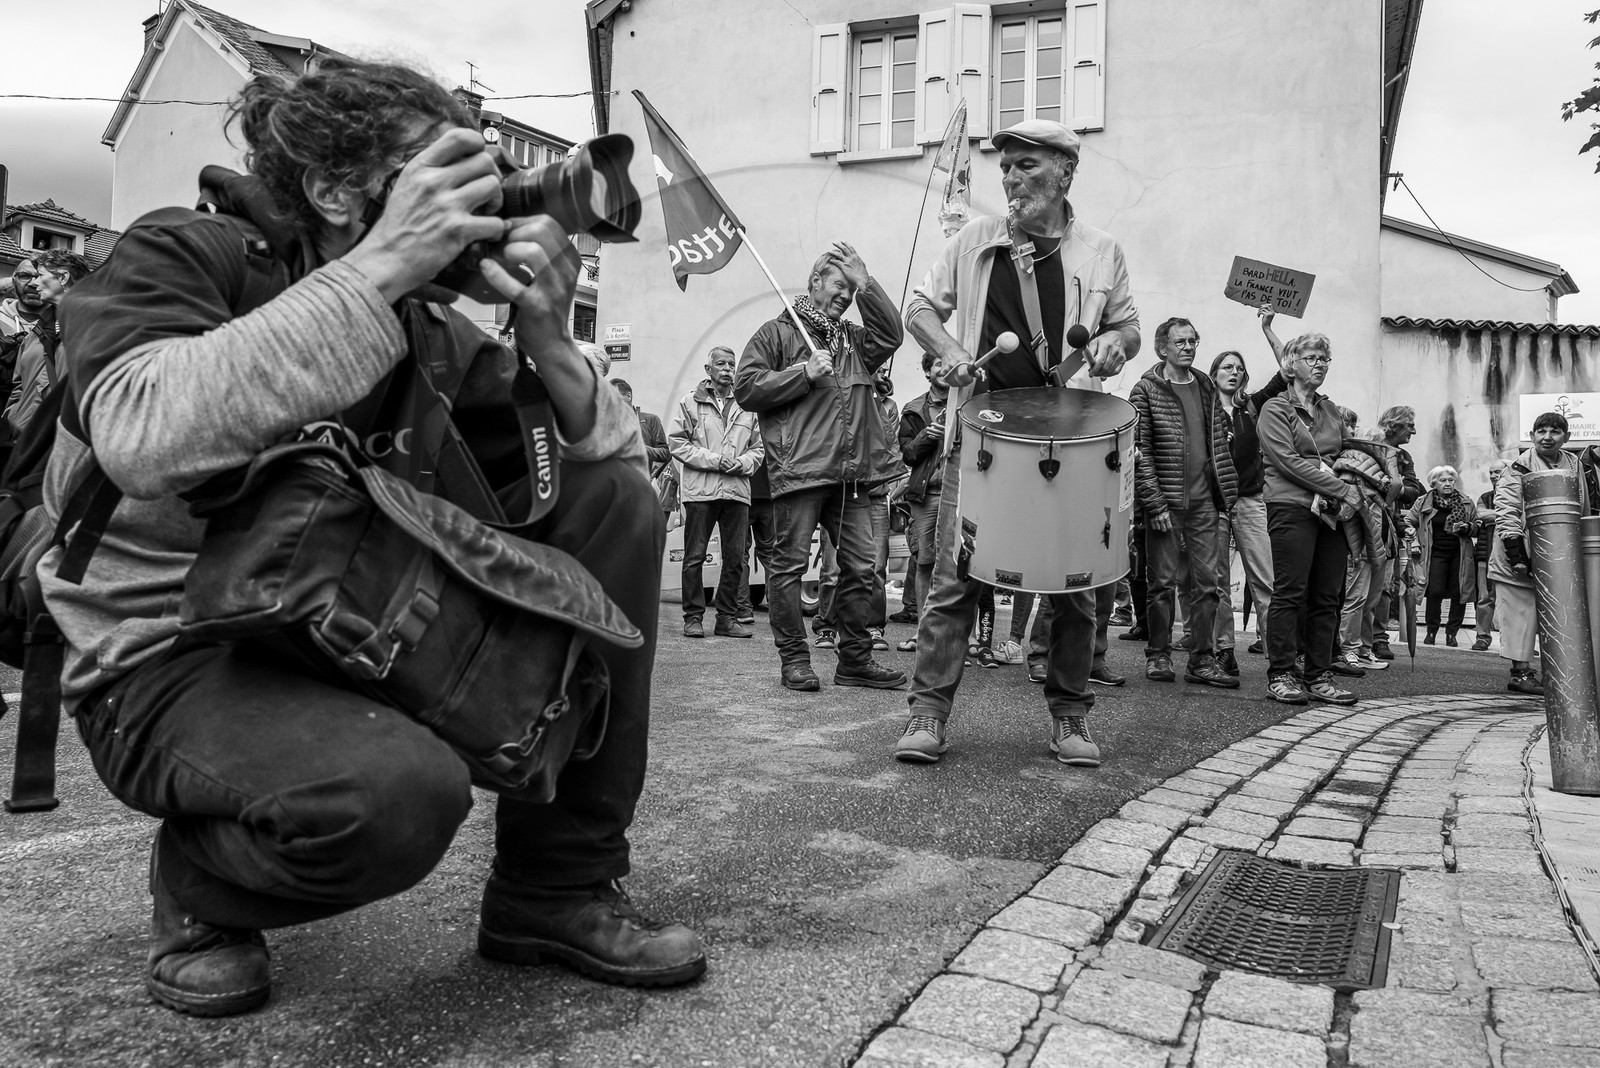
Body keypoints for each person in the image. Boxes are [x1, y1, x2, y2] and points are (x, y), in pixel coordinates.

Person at [42, 58, 704, 1017]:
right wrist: (382, 267)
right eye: (442, 178)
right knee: (397, 799)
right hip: (170, 655)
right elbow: (141, 433)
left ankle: (555, 886)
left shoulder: (426, 331)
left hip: (340, 625)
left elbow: (614, 476)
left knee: (613, 503)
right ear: (335, 191)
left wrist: (550, 341)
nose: (472, 206)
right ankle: (202, 883)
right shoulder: (184, 254)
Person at [892, 118, 1139, 767]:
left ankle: (1070, 717)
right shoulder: (975, 241)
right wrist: (949, 350)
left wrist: (1114, 344)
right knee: (956, 581)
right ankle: (927, 713)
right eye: (1005, 167)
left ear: (1064, 171)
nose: (1010, 178)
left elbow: (1129, 326)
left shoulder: (1102, 250)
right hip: (980, 438)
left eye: (1026, 165)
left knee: (1076, 588)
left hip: (1070, 441)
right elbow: (918, 308)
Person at [734, 242, 906, 692]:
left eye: (852, 289)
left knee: (863, 569)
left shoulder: (852, 339)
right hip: (802, 472)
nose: (846, 296)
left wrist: (868, 283)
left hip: (851, 475)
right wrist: (803, 373)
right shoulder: (776, 333)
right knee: (788, 569)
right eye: (840, 286)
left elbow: (891, 336)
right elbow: (746, 388)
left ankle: (855, 661)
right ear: (815, 282)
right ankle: (794, 659)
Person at [1128, 318, 1238, 688]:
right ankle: (1158, 655)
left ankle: (1202, 660)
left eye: (1193, 341)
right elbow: (1139, 452)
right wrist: (1155, 504)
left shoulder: (1205, 385)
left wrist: (1225, 493)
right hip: (1167, 504)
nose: (1189, 347)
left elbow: (1218, 440)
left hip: (1204, 502)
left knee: (1208, 585)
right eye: (1181, 342)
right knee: (1161, 584)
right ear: (1162, 348)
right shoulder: (1145, 389)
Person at [1257, 332, 1364, 706]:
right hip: (1291, 505)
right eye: (1312, 358)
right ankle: (1281, 674)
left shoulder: (1330, 409)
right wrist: (1342, 488)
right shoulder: (1275, 409)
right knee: (1290, 592)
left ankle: (1319, 675)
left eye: (1324, 359)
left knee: (1327, 596)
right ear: (1291, 365)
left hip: (1331, 510)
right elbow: (1287, 462)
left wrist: (1362, 477)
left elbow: (1347, 452)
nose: (1320, 364)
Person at [668, 345, 764, 639]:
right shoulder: (690, 402)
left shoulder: (747, 405)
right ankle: (693, 618)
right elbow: (677, 443)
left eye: (731, 364)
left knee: (735, 559)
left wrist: (742, 463)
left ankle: (726, 619)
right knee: (694, 557)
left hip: (736, 491)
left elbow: (759, 448)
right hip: (701, 492)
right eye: (720, 364)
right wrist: (714, 460)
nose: (727, 369)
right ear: (708, 370)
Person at [1492, 412, 1585, 695]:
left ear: (1566, 437)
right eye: (1541, 431)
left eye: (1555, 432)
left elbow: (1582, 506)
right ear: (1532, 436)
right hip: (1520, 554)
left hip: (1560, 554)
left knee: (1561, 615)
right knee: (1520, 614)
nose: (1547, 437)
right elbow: (1506, 510)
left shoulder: (1574, 464)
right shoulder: (1518, 467)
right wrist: (1517, 555)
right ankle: (1520, 673)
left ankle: (1558, 673)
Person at [1210, 348, 1273, 666]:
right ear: (1214, 374)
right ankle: (1223, 650)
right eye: (1227, 367)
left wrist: (1268, 329)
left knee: (1264, 577)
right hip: (1215, 502)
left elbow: (1284, 375)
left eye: (1239, 368)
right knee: (1218, 581)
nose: (1233, 372)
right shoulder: (1205, 412)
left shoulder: (1251, 406)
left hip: (1249, 499)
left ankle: (1278, 652)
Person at [4, 249, 92, 436]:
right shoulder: (37, 332)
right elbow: (19, 384)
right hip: (25, 440)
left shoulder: (95, 328)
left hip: (67, 440)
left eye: (40, 276)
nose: (34, 283)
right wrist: (14, 416)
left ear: (63, 278)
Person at [897, 350, 949, 650]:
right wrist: (928, 434)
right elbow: (908, 455)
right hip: (926, 495)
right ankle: (923, 632)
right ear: (928, 372)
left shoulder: (968, 403)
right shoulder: (914, 409)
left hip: (961, 493)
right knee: (925, 562)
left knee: (959, 566)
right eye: (938, 364)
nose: (945, 369)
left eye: (949, 364)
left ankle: (961, 636)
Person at [1369, 405, 1424, 659]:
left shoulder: (1404, 457)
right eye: (1409, 425)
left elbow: (1413, 491)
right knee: (1357, 587)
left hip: (1389, 527)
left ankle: (1378, 638)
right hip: (1363, 524)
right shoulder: (1371, 445)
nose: (1414, 431)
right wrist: (1393, 487)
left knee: (1382, 588)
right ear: (1394, 425)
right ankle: (1354, 643)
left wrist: (1391, 487)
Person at [1411, 465, 1479, 646]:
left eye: (1451, 480)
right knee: (1435, 591)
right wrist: (1414, 541)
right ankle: (1431, 631)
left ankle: (1452, 633)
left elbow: (1477, 525)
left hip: (1460, 553)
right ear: (1434, 483)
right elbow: (1408, 522)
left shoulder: (1465, 501)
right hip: (1434, 553)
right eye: (1443, 480)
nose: (1448, 483)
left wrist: (1468, 527)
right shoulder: (1423, 502)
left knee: (1459, 593)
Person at [611, 377, 674, 522]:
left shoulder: (650, 420)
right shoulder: (608, 424)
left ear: (628, 396)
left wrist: (640, 447)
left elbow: (665, 453)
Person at [1472, 459, 1507, 651]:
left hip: (1510, 557)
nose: (1493, 476)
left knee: (1512, 600)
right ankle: (1482, 638)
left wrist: (1492, 515)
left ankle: (1515, 640)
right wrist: (1508, 514)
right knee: (1485, 598)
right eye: (1491, 472)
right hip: (1485, 555)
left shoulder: (1520, 495)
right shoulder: (1485, 497)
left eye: (1497, 472)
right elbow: (1481, 514)